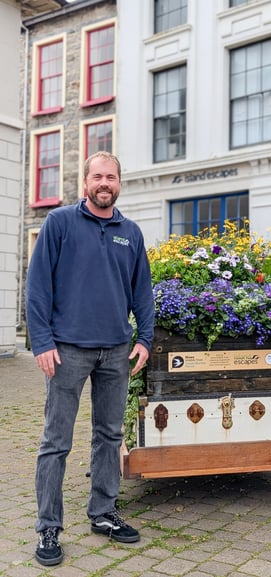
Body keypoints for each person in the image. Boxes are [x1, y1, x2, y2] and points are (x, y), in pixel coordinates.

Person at [26, 151, 155, 566]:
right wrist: (42, 342)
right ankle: (49, 526)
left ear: (119, 183)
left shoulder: (130, 233)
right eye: (97, 176)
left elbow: (143, 293)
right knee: (55, 442)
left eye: (111, 177)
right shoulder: (59, 223)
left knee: (109, 436)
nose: (105, 183)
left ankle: (103, 513)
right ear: (85, 182)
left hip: (117, 351)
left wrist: (145, 340)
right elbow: (38, 286)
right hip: (66, 351)